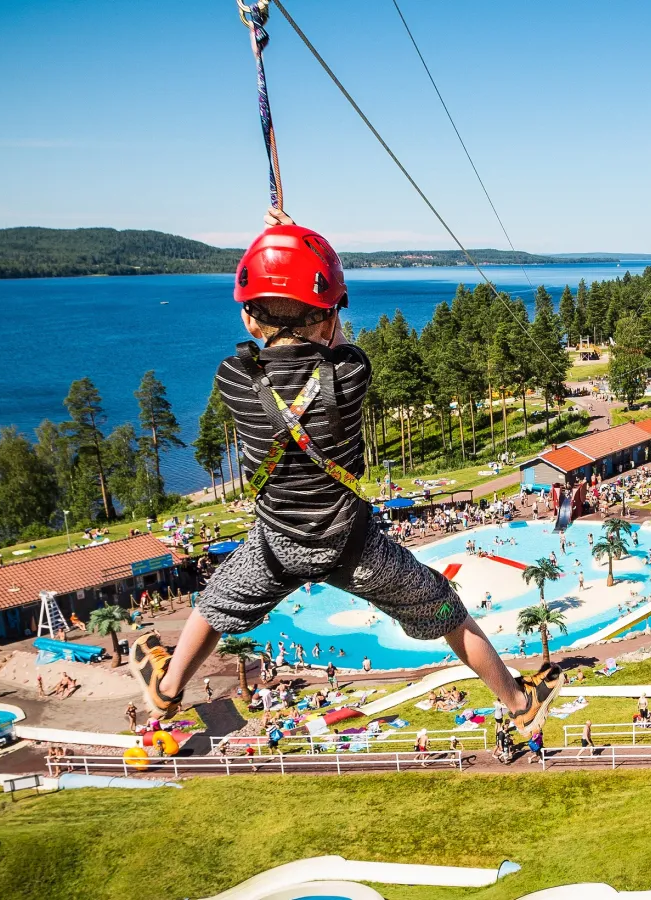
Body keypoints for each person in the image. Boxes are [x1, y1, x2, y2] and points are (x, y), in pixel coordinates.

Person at [129, 215, 560, 738]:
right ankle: (518, 701)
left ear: (248, 320)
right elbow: (335, 345)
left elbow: (278, 350)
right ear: (330, 317)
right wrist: (300, 249)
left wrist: (280, 251)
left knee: (215, 607)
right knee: (450, 612)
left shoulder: (232, 378)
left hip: (275, 543)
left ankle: (168, 689)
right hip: (350, 544)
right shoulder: (349, 370)